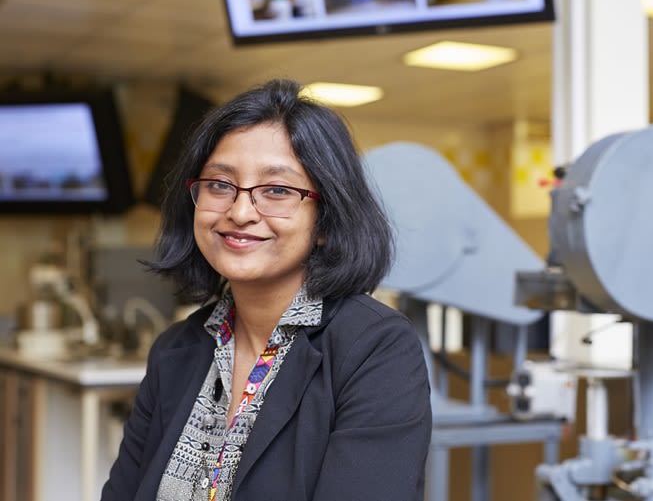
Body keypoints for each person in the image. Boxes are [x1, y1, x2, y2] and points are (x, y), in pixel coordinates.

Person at [101, 78, 432, 501]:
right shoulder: (175, 351)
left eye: (277, 190)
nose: (239, 212)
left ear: (326, 221)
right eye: (220, 184)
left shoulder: (375, 347)